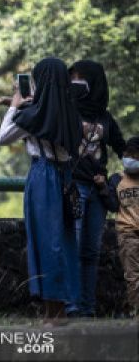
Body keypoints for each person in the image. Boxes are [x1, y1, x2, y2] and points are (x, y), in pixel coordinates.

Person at [0, 58, 82, 324]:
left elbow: (3, 137)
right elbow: (50, 115)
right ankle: (62, 308)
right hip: (66, 176)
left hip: (43, 176)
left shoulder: (32, 115)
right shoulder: (71, 112)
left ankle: (52, 313)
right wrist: (13, 102)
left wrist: (14, 106)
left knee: (45, 242)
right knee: (63, 242)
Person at [63, 60, 126, 317]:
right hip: (74, 186)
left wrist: (119, 176)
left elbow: (122, 148)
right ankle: (70, 306)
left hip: (99, 192)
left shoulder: (105, 118)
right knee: (72, 247)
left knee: (91, 252)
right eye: (72, 78)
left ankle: (86, 308)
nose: (76, 83)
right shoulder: (67, 111)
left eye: (80, 77)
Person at [109, 137, 139, 316]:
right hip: (127, 233)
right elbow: (113, 205)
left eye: (134, 155)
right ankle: (136, 312)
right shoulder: (116, 179)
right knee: (133, 276)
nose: (130, 158)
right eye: (127, 154)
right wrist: (103, 188)